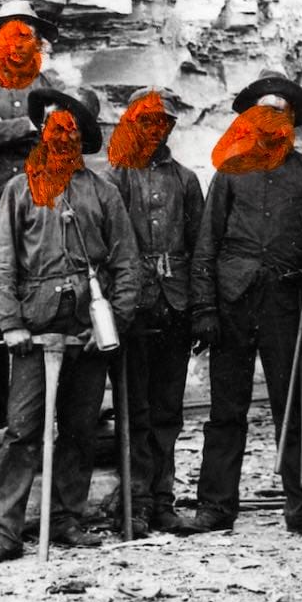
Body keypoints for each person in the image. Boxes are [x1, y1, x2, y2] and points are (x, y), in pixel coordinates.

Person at [0, 89, 140, 565]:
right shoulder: (19, 190)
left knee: (80, 427)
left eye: (68, 129)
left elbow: (126, 264)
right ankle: (2, 531)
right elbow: (0, 265)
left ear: (80, 137)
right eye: (50, 127)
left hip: (88, 329)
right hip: (34, 331)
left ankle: (66, 518)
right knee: (22, 430)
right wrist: (11, 324)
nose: (58, 135)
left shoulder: (102, 191)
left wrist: (112, 322)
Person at [186, 72, 302, 540]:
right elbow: (206, 245)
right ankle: (215, 507)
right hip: (232, 302)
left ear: (291, 121)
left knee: (292, 406)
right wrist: (204, 309)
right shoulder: (230, 172)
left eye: (280, 113)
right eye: (263, 112)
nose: (271, 120)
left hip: (286, 304)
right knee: (225, 410)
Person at [103, 87, 204, 535]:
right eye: (144, 122)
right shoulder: (114, 179)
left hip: (176, 305)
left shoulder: (185, 180)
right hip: (133, 308)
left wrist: (202, 308)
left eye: (159, 123)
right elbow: (106, 248)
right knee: (135, 409)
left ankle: (164, 500)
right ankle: (137, 501)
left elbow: (201, 249)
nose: (152, 130)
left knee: (168, 410)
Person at [0, 0, 65, 430]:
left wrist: (4, 130)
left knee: (46, 299)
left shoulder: (51, 84)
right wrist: (27, 127)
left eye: (26, 33)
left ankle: (48, 409)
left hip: (42, 205)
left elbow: (59, 137)